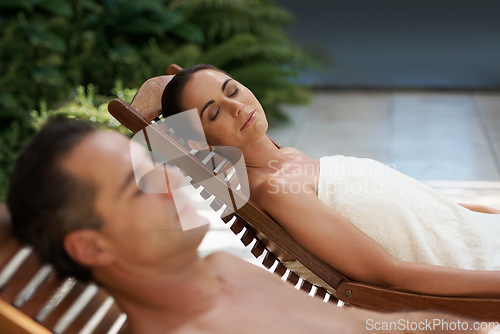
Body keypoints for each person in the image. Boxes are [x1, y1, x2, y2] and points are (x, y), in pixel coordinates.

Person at [6, 118, 495, 334]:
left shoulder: (224, 271)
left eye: (151, 166)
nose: (172, 180)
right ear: (91, 247)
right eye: (138, 187)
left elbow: (359, 324)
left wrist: (446, 325)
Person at [161, 64, 500, 298]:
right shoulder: (277, 191)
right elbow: (390, 274)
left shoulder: (288, 156)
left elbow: (411, 205)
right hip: (480, 266)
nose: (236, 106)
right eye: (214, 113)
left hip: (476, 232)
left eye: (232, 90)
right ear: (199, 143)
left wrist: (482, 212)